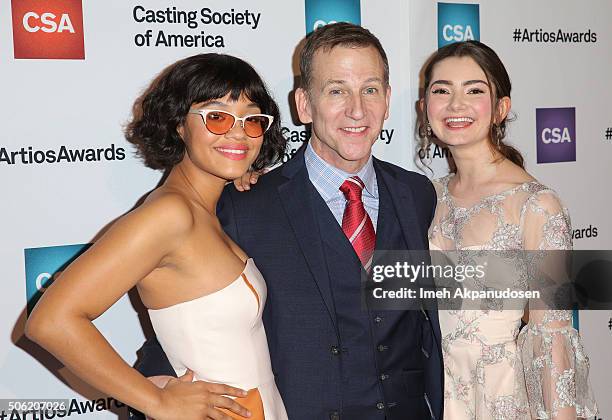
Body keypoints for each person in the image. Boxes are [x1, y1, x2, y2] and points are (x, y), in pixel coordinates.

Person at [136, 23, 444, 420]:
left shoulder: (417, 194)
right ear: (304, 104)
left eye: (370, 89)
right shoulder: (245, 204)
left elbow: (445, 304)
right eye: (336, 91)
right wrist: (157, 388)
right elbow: (192, 318)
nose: (357, 109)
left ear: (386, 100)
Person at [25, 53, 289, 420]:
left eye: (251, 119)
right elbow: (51, 321)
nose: (238, 132)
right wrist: (157, 401)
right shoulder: (170, 215)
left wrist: (243, 176)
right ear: (179, 124)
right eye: (217, 116)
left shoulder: (208, 209)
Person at [420, 41, 598, 419]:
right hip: (432, 395)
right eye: (441, 91)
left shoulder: (536, 207)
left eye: (474, 90)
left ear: (501, 108)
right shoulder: (425, 197)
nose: (455, 104)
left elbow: (552, 341)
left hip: (498, 397)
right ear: (425, 108)